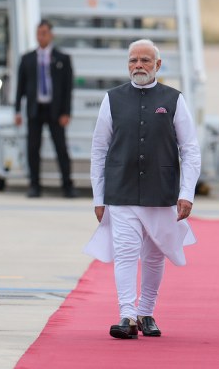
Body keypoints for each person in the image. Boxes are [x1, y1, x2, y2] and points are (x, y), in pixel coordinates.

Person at [86, 39, 201, 339]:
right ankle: (126, 315)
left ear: (158, 65)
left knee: (154, 255)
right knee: (125, 252)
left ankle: (146, 312)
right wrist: (98, 196)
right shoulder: (112, 99)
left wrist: (186, 193)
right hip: (121, 191)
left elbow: (190, 149)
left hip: (161, 192)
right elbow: (99, 149)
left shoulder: (174, 99)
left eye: (145, 60)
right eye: (133, 60)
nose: (138, 65)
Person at [14, 20, 74, 198]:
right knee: (33, 148)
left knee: (61, 148)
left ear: (51, 34)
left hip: (55, 110)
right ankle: (34, 185)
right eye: (39, 33)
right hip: (35, 109)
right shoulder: (27, 58)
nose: (42, 36)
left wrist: (66, 112)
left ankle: (67, 185)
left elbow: (68, 88)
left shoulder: (62, 58)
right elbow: (20, 87)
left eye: (45, 33)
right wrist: (17, 110)